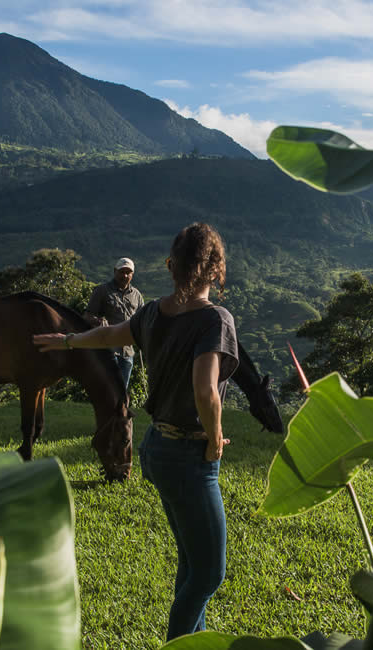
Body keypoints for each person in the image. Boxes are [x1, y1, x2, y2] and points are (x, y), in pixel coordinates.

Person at [34, 223, 237, 640]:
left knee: (191, 562)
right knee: (210, 573)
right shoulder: (214, 319)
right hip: (190, 455)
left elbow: (110, 334)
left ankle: (192, 645)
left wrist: (69, 341)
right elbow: (205, 391)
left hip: (157, 448)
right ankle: (176, 646)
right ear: (215, 269)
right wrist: (215, 439)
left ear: (172, 266)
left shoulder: (152, 312)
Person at [84, 256, 144, 389]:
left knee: (121, 391)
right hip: (107, 350)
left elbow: (143, 320)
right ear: (115, 271)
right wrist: (99, 321)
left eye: (128, 272)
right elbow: (87, 316)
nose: (125, 275)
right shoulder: (102, 290)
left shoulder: (137, 295)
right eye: (122, 272)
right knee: (106, 390)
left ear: (132, 274)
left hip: (127, 353)